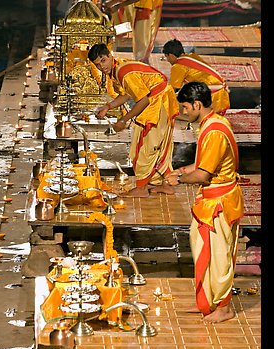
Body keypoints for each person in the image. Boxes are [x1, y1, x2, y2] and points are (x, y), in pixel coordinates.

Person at [164, 82, 244, 323]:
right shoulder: (210, 124)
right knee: (204, 253)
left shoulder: (214, 131)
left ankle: (224, 307)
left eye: (185, 108)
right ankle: (208, 302)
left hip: (218, 203)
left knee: (218, 258)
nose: (182, 112)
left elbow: (203, 175)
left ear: (197, 105)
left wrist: (178, 180)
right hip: (212, 200)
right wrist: (180, 170)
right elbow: (202, 165)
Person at [88, 43, 179, 197]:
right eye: (97, 65)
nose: (101, 67)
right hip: (159, 97)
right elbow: (128, 94)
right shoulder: (117, 67)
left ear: (110, 55)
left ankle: (142, 188)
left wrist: (123, 120)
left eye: (103, 61)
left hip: (158, 100)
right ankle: (166, 184)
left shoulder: (124, 73)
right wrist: (108, 107)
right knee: (159, 145)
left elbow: (143, 101)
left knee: (144, 146)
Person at [162, 39, 230, 115]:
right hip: (222, 97)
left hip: (211, 99)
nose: (167, 60)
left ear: (170, 55)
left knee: (169, 107)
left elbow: (172, 90)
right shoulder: (193, 56)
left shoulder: (178, 66)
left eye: (166, 57)